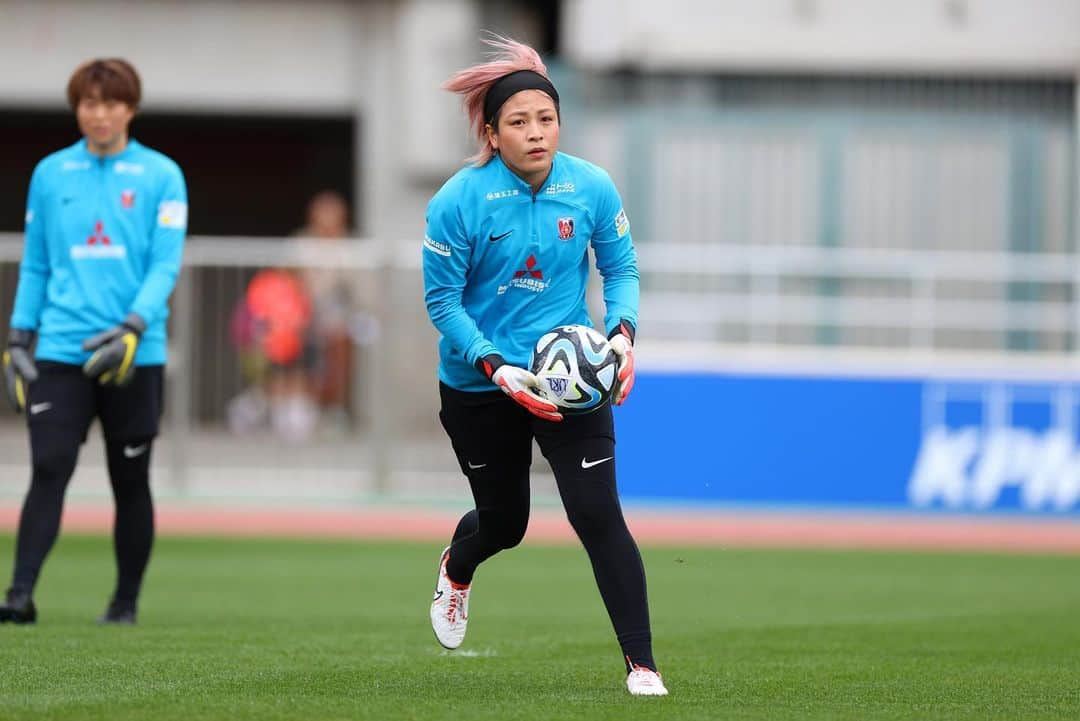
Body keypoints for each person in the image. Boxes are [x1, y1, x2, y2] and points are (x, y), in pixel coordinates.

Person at [422, 35, 666, 696]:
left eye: (546, 119)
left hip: (572, 379)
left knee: (598, 513)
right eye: (519, 122)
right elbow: (441, 301)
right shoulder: (458, 200)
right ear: (492, 133)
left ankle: (642, 666)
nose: (536, 133)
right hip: (481, 381)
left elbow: (621, 271)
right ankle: (458, 566)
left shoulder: (590, 186)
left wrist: (621, 336)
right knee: (506, 522)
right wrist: (496, 365)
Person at [0, 58, 187, 625]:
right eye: (87, 103)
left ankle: (124, 602)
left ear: (130, 107)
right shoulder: (50, 174)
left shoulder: (162, 175)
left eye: (109, 103)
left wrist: (134, 326)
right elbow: (35, 265)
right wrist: (17, 338)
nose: (98, 114)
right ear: (76, 108)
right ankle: (19, 596)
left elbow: (165, 265)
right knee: (49, 465)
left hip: (135, 352)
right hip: (58, 348)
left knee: (130, 478)